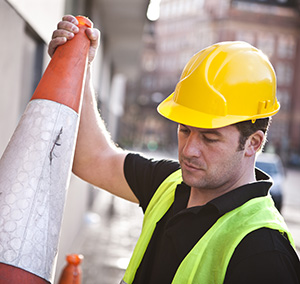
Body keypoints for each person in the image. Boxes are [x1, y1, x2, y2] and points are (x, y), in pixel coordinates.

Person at [49, 15, 300, 283]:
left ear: (253, 143)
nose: (189, 150)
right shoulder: (170, 184)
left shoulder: (264, 253)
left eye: (210, 138)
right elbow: (91, 159)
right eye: (184, 130)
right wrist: (78, 65)